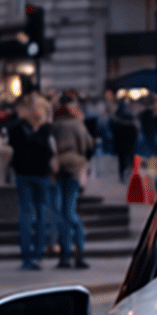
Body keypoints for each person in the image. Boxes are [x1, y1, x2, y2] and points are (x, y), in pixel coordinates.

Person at [6, 90, 56, 271]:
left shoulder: (16, 128)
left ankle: (30, 253)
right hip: (38, 174)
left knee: (29, 213)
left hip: (25, 173)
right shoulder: (46, 129)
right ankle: (35, 253)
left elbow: (13, 147)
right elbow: (48, 150)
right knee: (38, 213)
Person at [50, 95, 93, 271]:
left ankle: (65, 255)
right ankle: (80, 252)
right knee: (71, 212)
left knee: (61, 213)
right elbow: (88, 147)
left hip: (58, 169)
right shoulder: (78, 125)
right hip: (75, 169)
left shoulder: (54, 126)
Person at [110, 98, 139, 181]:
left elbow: (113, 131)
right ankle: (131, 175)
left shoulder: (116, 119)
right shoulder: (131, 120)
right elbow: (136, 131)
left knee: (122, 160)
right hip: (129, 144)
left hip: (121, 144)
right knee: (130, 159)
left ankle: (123, 176)